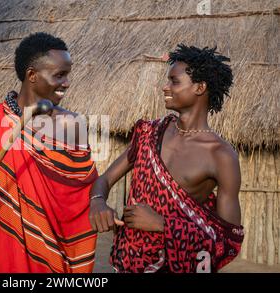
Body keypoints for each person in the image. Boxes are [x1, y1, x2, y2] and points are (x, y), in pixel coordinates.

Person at [89, 44, 244, 273]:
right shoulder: (150, 133)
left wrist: (162, 225)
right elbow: (105, 180)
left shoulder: (220, 155)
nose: (165, 87)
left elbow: (227, 241)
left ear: (200, 88)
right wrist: (98, 201)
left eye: (174, 81)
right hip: (126, 261)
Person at [0, 32, 98, 272]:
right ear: (31, 75)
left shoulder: (72, 125)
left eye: (67, 74)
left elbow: (83, 189)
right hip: (1, 246)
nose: (67, 82)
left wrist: (99, 202)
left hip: (58, 249)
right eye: (59, 75)